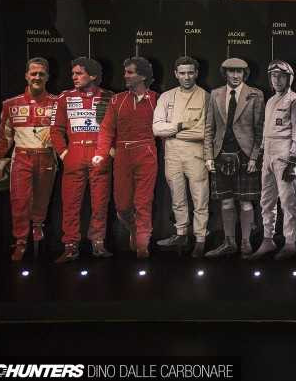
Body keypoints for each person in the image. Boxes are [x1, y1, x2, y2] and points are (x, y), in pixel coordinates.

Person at [92, 57, 158, 258]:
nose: (125, 76)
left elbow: (163, 127)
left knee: (143, 201)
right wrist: (101, 153)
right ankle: (134, 228)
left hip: (146, 151)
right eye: (125, 72)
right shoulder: (117, 100)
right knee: (122, 206)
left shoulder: (156, 99)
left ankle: (143, 244)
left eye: (130, 72)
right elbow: (106, 129)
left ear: (143, 76)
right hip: (122, 154)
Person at [0, 57, 57, 261]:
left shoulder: (57, 103)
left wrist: (55, 136)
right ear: (26, 76)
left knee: (42, 198)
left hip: (46, 157)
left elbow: (65, 132)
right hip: (21, 157)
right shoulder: (11, 104)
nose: (37, 77)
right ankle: (20, 241)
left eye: (41, 74)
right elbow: (4, 137)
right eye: (33, 73)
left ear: (47, 77)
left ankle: (37, 227)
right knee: (19, 200)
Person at [51, 57, 114, 263]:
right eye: (73, 73)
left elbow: (117, 127)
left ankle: (98, 244)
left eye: (79, 73)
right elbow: (56, 130)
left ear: (93, 75)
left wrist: (110, 152)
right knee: (70, 203)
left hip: (99, 153)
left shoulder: (108, 97)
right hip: (75, 153)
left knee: (100, 203)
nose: (74, 77)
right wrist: (64, 154)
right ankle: (70, 246)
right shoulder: (64, 97)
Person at [203, 58, 265, 258]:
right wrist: (209, 156)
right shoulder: (215, 94)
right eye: (232, 71)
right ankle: (229, 242)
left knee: (246, 203)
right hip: (221, 154)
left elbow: (260, 130)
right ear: (225, 73)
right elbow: (209, 128)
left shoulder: (255, 94)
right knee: (226, 203)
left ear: (244, 74)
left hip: (245, 155)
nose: (236, 75)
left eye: (239, 72)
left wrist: (254, 157)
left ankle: (246, 242)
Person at [153, 56, 210, 258]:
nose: (187, 77)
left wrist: (172, 132)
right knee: (177, 198)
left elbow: (204, 132)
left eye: (190, 72)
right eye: (183, 73)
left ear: (197, 73)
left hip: (196, 154)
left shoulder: (205, 97)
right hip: (172, 154)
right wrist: (180, 126)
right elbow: (156, 129)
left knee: (200, 198)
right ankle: (181, 234)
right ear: (176, 74)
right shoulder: (166, 97)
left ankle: (200, 239)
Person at [249, 60, 296, 260]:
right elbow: (267, 130)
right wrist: (260, 153)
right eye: (274, 76)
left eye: (281, 76)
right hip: (268, 154)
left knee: (287, 201)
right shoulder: (271, 100)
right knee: (266, 200)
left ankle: (290, 243)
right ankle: (268, 239)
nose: (277, 80)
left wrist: (293, 160)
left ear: (289, 78)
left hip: (285, 153)